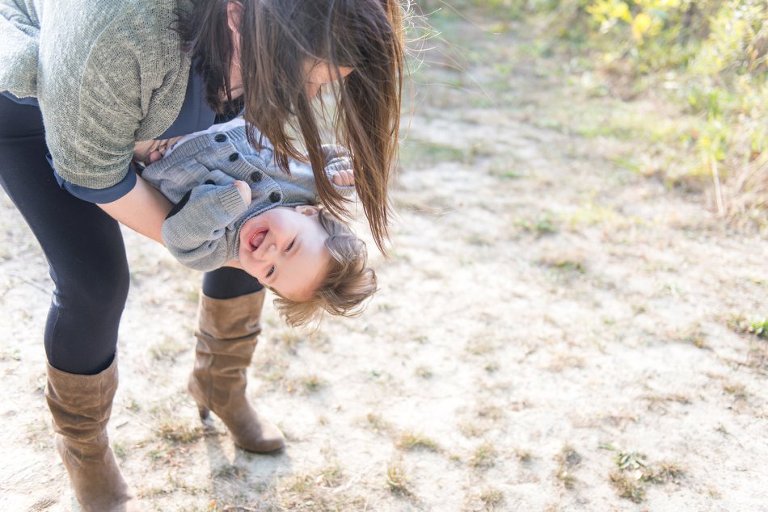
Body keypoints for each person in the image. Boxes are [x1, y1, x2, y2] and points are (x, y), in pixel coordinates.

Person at [0, 0, 404, 510]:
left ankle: (220, 383)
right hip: (37, 104)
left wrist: (266, 231)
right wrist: (216, 242)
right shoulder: (114, 31)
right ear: (240, 16)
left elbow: (270, 205)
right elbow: (95, 175)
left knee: (266, 221)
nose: (306, 99)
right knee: (96, 284)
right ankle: (85, 448)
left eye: (321, 86)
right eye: (306, 79)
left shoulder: (252, 37)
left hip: (175, 77)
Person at [139, 116, 377, 324]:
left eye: (271, 271)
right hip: (222, 112)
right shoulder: (300, 189)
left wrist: (226, 203)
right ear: (306, 212)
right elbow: (328, 157)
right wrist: (336, 181)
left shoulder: (215, 250)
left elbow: (179, 236)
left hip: (162, 141)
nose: (268, 253)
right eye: (290, 246)